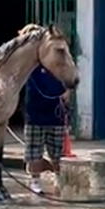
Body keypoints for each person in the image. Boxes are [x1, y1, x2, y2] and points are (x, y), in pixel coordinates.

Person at [24, 65, 69, 194]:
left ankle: (58, 178)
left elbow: (71, 81)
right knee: (34, 152)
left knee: (57, 152)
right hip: (34, 115)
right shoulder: (32, 66)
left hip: (56, 115)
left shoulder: (62, 65)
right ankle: (35, 181)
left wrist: (67, 93)